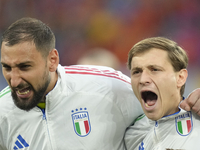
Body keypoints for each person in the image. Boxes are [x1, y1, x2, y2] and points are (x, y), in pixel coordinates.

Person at [0, 18, 199, 150]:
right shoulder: (3, 109)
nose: (14, 80)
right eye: (7, 68)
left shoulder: (108, 88)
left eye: (25, 67)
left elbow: (170, 106)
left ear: (52, 60)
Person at [125, 37, 200, 150]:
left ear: (180, 77)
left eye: (155, 69)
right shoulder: (131, 134)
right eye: (136, 72)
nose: (142, 79)